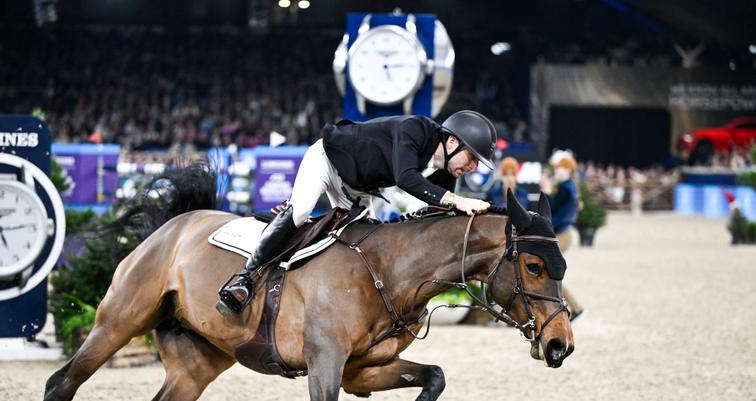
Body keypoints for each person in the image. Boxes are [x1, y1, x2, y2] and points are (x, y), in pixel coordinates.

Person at [217, 110, 497, 314]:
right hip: (328, 160)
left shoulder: (446, 172)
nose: (473, 167)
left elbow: (438, 220)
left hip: (357, 190)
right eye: (472, 157)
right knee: (301, 211)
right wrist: (456, 200)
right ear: (451, 142)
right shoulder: (415, 129)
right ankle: (245, 278)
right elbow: (404, 177)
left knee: (367, 242)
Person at [543, 155, 584, 321]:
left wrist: (546, 190)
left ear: (569, 171)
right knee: (550, 273)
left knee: (551, 274)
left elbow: (550, 208)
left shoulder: (566, 188)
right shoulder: (568, 187)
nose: (558, 171)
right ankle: (572, 307)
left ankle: (574, 308)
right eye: (558, 168)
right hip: (562, 234)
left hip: (561, 235)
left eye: (563, 168)